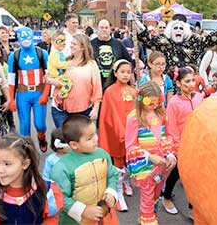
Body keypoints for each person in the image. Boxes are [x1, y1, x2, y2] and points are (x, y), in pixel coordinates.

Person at [0, 134, 64, 225]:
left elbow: (52, 219)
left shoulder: (46, 191)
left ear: (25, 164)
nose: (0, 170)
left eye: (7, 164)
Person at [50, 115, 119, 225]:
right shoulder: (62, 168)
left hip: (105, 216)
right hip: (74, 221)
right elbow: (59, 197)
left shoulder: (103, 154)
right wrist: (83, 210)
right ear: (74, 144)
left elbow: (112, 175)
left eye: (95, 134)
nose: (96, 139)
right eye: (89, 138)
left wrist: (111, 192)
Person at [125, 81, 176, 225]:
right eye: (150, 103)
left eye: (157, 102)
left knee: (155, 196)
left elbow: (167, 136)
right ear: (141, 99)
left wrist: (170, 154)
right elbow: (130, 146)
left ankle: (146, 219)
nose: (154, 106)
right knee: (147, 198)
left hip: (162, 166)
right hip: (146, 168)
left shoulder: (161, 113)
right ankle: (148, 220)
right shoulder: (134, 118)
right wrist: (149, 157)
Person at [163, 67, 203, 216]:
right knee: (177, 173)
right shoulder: (173, 103)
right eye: (187, 81)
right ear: (178, 83)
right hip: (182, 145)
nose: (191, 84)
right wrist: (178, 149)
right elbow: (171, 128)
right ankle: (166, 196)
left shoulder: (199, 97)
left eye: (193, 80)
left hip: (198, 143)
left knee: (196, 177)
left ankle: (193, 207)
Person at [98, 59, 136, 211]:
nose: (126, 75)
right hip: (117, 133)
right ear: (115, 73)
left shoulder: (134, 91)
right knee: (118, 163)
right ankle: (118, 193)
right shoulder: (109, 91)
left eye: (129, 72)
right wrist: (122, 132)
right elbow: (109, 115)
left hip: (132, 134)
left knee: (132, 162)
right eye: (122, 72)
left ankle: (126, 182)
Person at [8, 27, 49, 151]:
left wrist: (45, 95)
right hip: (22, 93)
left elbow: (49, 76)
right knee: (24, 126)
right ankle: (27, 150)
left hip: (39, 92)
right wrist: (12, 100)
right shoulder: (14, 56)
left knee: (40, 124)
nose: (25, 41)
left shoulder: (42, 53)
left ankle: (41, 137)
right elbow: (11, 80)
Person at [49, 34, 102, 128]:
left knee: (79, 140)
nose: (70, 46)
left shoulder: (91, 65)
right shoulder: (65, 62)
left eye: (74, 44)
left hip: (83, 110)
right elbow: (49, 75)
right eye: (71, 43)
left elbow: (97, 89)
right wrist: (53, 81)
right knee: (63, 140)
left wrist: (96, 109)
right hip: (60, 109)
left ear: (82, 47)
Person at [91, 19, 132, 88]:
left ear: (110, 29)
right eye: (102, 27)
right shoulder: (90, 45)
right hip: (96, 85)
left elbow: (128, 62)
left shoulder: (118, 44)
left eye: (106, 27)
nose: (104, 30)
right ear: (97, 29)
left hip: (115, 85)